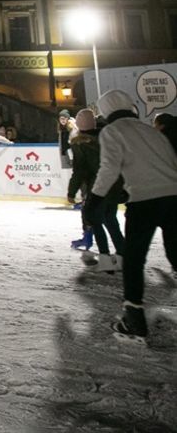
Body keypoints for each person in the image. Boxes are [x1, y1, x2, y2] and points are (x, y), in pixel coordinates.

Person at [81, 89, 177, 340]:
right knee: (176, 251)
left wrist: (94, 201)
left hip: (145, 201)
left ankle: (133, 317)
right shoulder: (149, 130)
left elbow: (109, 169)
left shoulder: (112, 131)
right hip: (174, 197)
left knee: (134, 259)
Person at [67, 109, 125, 267]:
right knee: (111, 220)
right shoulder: (106, 136)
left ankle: (105, 257)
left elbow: (80, 170)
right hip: (114, 184)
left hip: (97, 187)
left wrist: (71, 191)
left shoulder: (79, 143)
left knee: (96, 221)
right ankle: (123, 253)